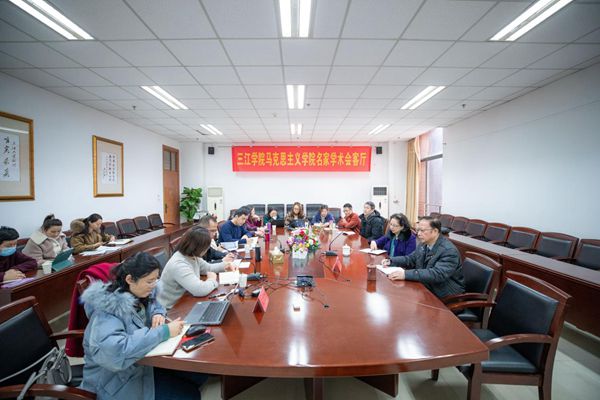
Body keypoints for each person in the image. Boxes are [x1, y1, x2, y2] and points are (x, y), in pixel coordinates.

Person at [80, 252, 207, 400]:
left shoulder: (138, 293)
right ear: (129, 279)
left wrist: (157, 313)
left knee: (199, 375)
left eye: (156, 279)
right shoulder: (107, 313)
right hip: (116, 381)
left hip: (140, 365)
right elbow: (115, 352)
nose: (154, 286)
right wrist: (164, 331)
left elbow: (154, 303)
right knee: (190, 395)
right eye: (150, 281)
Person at [382, 216, 465, 299]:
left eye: (422, 230)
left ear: (435, 231)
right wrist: (391, 261)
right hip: (427, 286)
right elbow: (411, 259)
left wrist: (405, 274)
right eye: (418, 230)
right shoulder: (424, 244)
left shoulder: (448, 250)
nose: (418, 234)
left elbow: (436, 274)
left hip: (444, 293)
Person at [158, 227, 237, 309]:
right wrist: (212, 280)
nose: (207, 249)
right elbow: (199, 290)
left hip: (185, 299)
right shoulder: (179, 264)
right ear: (198, 247)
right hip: (171, 308)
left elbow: (208, 268)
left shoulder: (191, 255)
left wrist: (225, 265)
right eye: (206, 247)